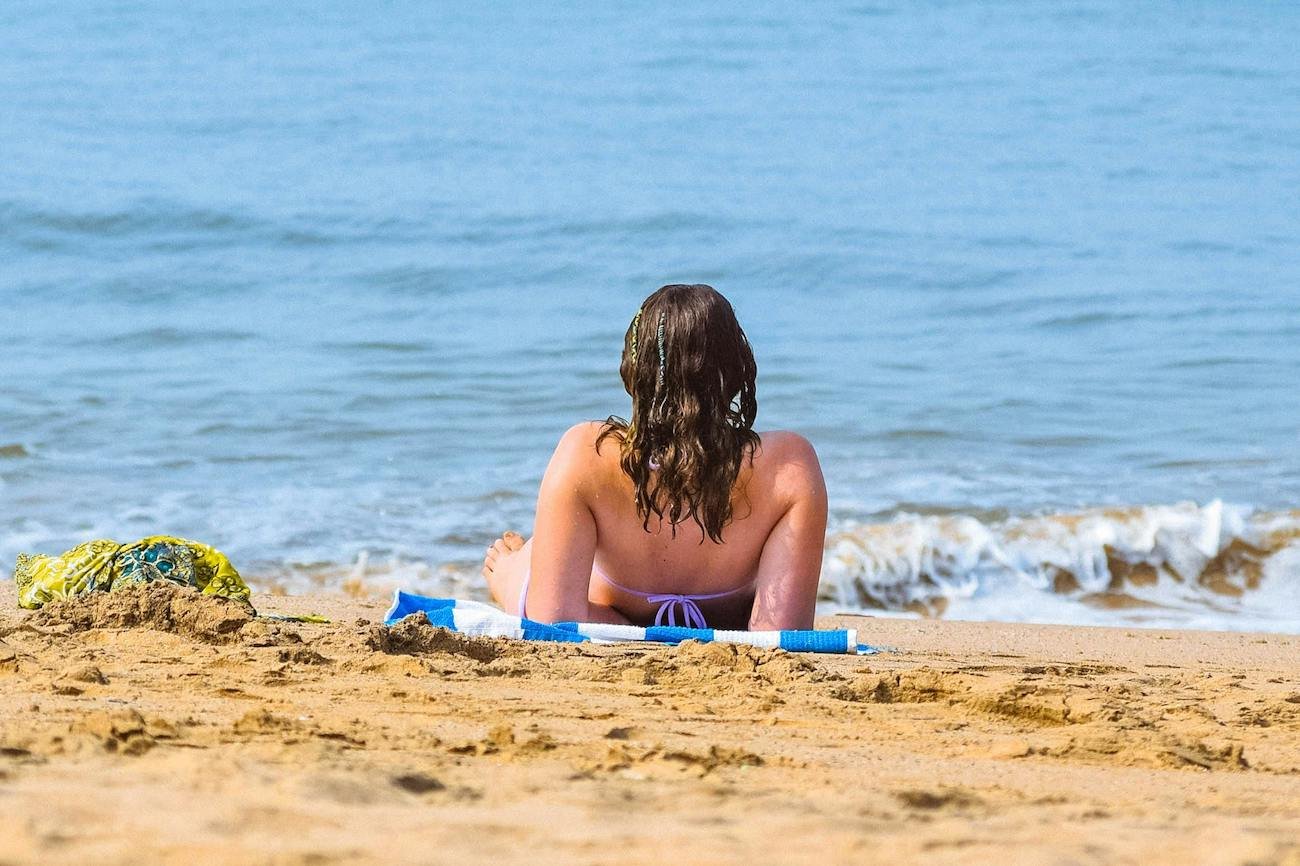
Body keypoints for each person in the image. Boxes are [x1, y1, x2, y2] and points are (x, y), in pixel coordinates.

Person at [482, 284, 827, 631]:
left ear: (635, 370)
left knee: (525, 575)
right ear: (736, 368)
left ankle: (510, 576)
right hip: (725, 615)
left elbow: (554, 622)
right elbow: (780, 634)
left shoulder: (587, 454)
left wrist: (620, 623)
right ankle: (515, 571)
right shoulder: (788, 468)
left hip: (600, 607)